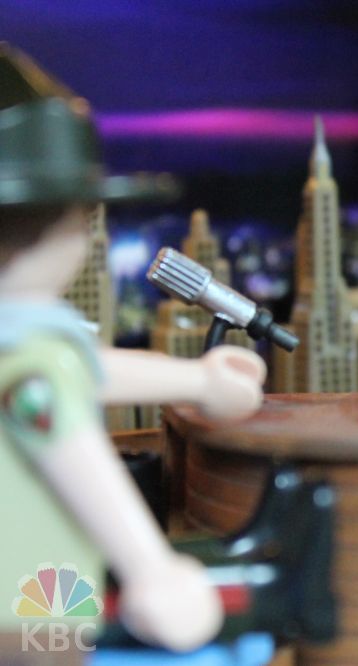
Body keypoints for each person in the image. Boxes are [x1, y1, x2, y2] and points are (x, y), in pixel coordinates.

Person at [0, 44, 265, 654]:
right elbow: (75, 456)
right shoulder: (31, 371)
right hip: (31, 606)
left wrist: (196, 381)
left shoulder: (27, 344)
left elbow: (87, 368)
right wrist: (153, 570)